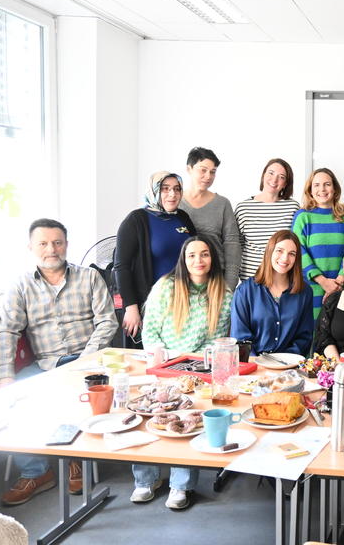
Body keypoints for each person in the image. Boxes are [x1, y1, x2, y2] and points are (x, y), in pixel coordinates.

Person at [0, 219, 117, 506]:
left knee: (81, 395)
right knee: (11, 400)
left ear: (66, 245)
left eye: (57, 242)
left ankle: (76, 459)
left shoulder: (89, 278)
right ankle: (37, 473)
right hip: (45, 365)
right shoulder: (21, 285)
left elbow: (107, 322)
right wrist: (4, 374)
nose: (52, 249)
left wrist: (86, 360)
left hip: (89, 360)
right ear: (31, 247)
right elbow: (7, 329)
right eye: (44, 243)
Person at [131, 235, 233, 510]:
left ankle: (180, 484)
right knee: (148, 413)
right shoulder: (166, 286)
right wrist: (160, 359)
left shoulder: (223, 293)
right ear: (183, 259)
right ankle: (146, 480)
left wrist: (199, 364)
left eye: (204, 255)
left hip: (198, 367)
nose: (198, 261)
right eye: (192, 255)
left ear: (213, 259)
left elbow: (219, 339)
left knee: (190, 418)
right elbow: (149, 329)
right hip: (163, 363)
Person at [114, 171, 196, 348]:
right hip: (150, 306)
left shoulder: (183, 218)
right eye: (165, 189)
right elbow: (122, 267)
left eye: (177, 189)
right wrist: (131, 307)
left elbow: (195, 253)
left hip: (184, 302)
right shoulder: (136, 220)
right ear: (154, 191)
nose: (172, 194)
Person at [230, 230, 314, 355]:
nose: (285, 258)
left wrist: (283, 362)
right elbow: (240, 338)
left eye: (292, 254)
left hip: (289, 366)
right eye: (279, 251)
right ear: (270, 252)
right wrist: (259, 364)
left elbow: (304, 338)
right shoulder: (244, 291)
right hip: (254, 366)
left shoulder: (305, 292)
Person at [292, 168, 344, 320]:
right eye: (316, 185)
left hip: (343, 287)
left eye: (327, 184)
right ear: (310, 189)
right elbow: (298, 251)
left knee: (341, 333)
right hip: (311, 288)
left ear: (334, 189)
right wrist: (322, 281)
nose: (322, 189)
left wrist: (339, 280)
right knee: (313, 335)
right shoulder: (303, 217)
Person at [179, 147, 241, 289]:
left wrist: (229, 285)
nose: (208, 176)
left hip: (216, 280)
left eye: (213, 172)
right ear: (189, 169)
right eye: (203, 170)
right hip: (181, 281)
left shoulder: (222, 204)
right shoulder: (174, 203)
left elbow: (232, 245)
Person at [234, 158, 300, 281]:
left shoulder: (292, 207)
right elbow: (238, 246)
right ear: (263, 174)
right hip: (251, 278)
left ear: (286, 184)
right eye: (271, 173)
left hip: (282, 279)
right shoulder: (243, 208)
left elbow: (295, 245)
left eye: (281, 177)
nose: (274, 180)